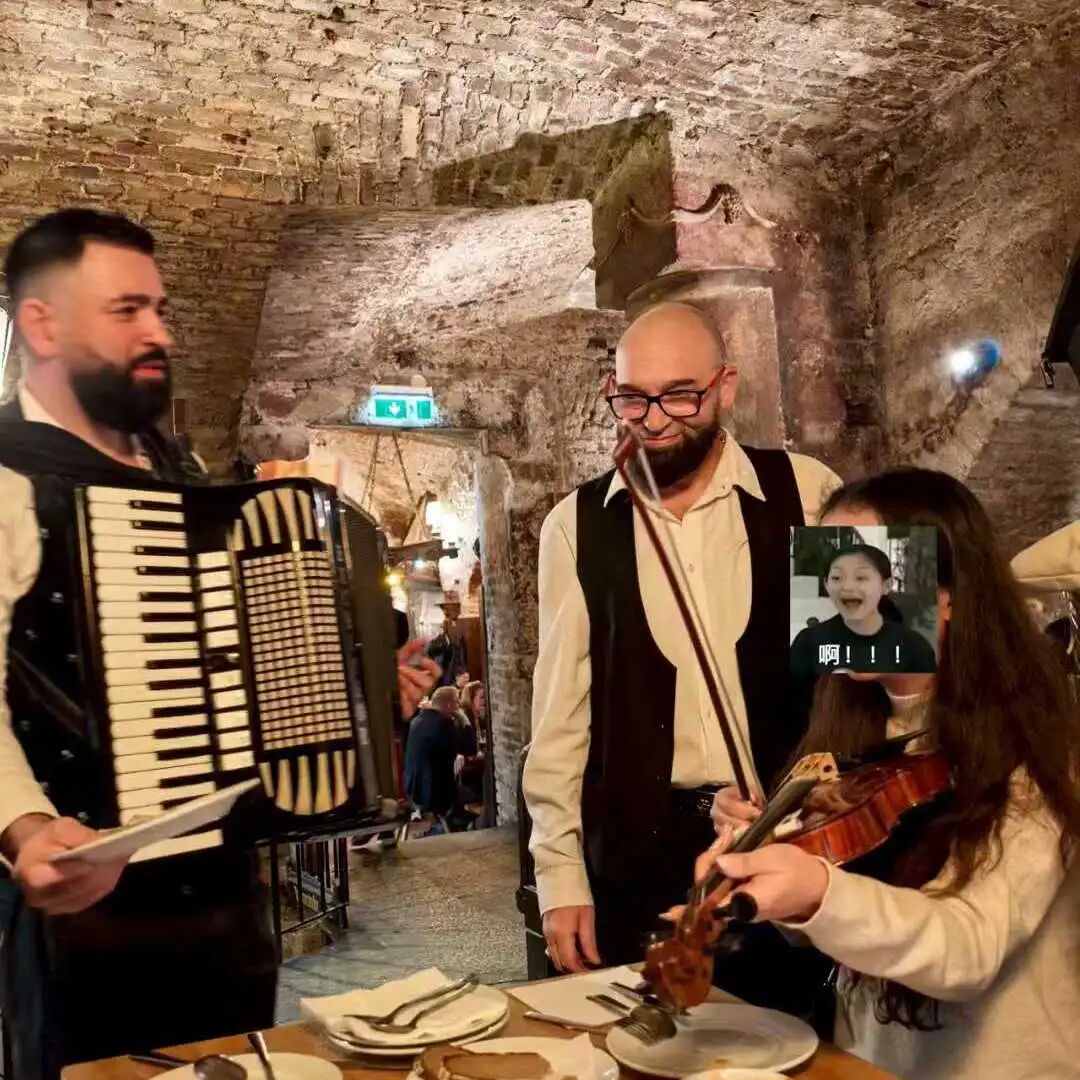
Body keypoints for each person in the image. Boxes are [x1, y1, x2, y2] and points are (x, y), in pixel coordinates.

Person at [0, 209, 439, 1077]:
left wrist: (357, 694)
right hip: (81, 926)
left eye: (159, 309)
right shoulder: (7, 476)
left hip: (229, 914)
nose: (159, 333)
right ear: (41, 325)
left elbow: (245, 669)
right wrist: (24, 824)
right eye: (127, 310)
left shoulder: (185, 476)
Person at [701, 467, 1080, 1080]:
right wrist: (767, 871)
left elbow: (968, 949)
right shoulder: (849, 726)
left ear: (947, 596)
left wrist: (818, 889)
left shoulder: (1037, 745)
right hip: (866, 1061)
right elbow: (840, 924)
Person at [523, 300, 842, 1003]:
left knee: (795, 1041)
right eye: (633, 398)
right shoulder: (573, 526)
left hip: (782, 847)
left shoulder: (810, 490)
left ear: (726, 386)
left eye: (680, 396)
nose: (655, 420)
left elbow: (860, 684)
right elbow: (559, 722)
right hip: (636, 862)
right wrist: (559, 876)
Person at [790, 544, 937, 675]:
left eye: (861, 578)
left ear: (886, 586)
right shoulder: (808, 643)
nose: (847, 587)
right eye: (837, 578)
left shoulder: (914, 648)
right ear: (826, 585)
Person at [404, 685, 460, 823]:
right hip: (435, 792)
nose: (458, 705)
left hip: (413, 787)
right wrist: (461, 715)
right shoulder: (445, 722)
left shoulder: (416, 721)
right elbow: (466, 749)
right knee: (474, 793)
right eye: (456, 701)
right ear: (448, 704)